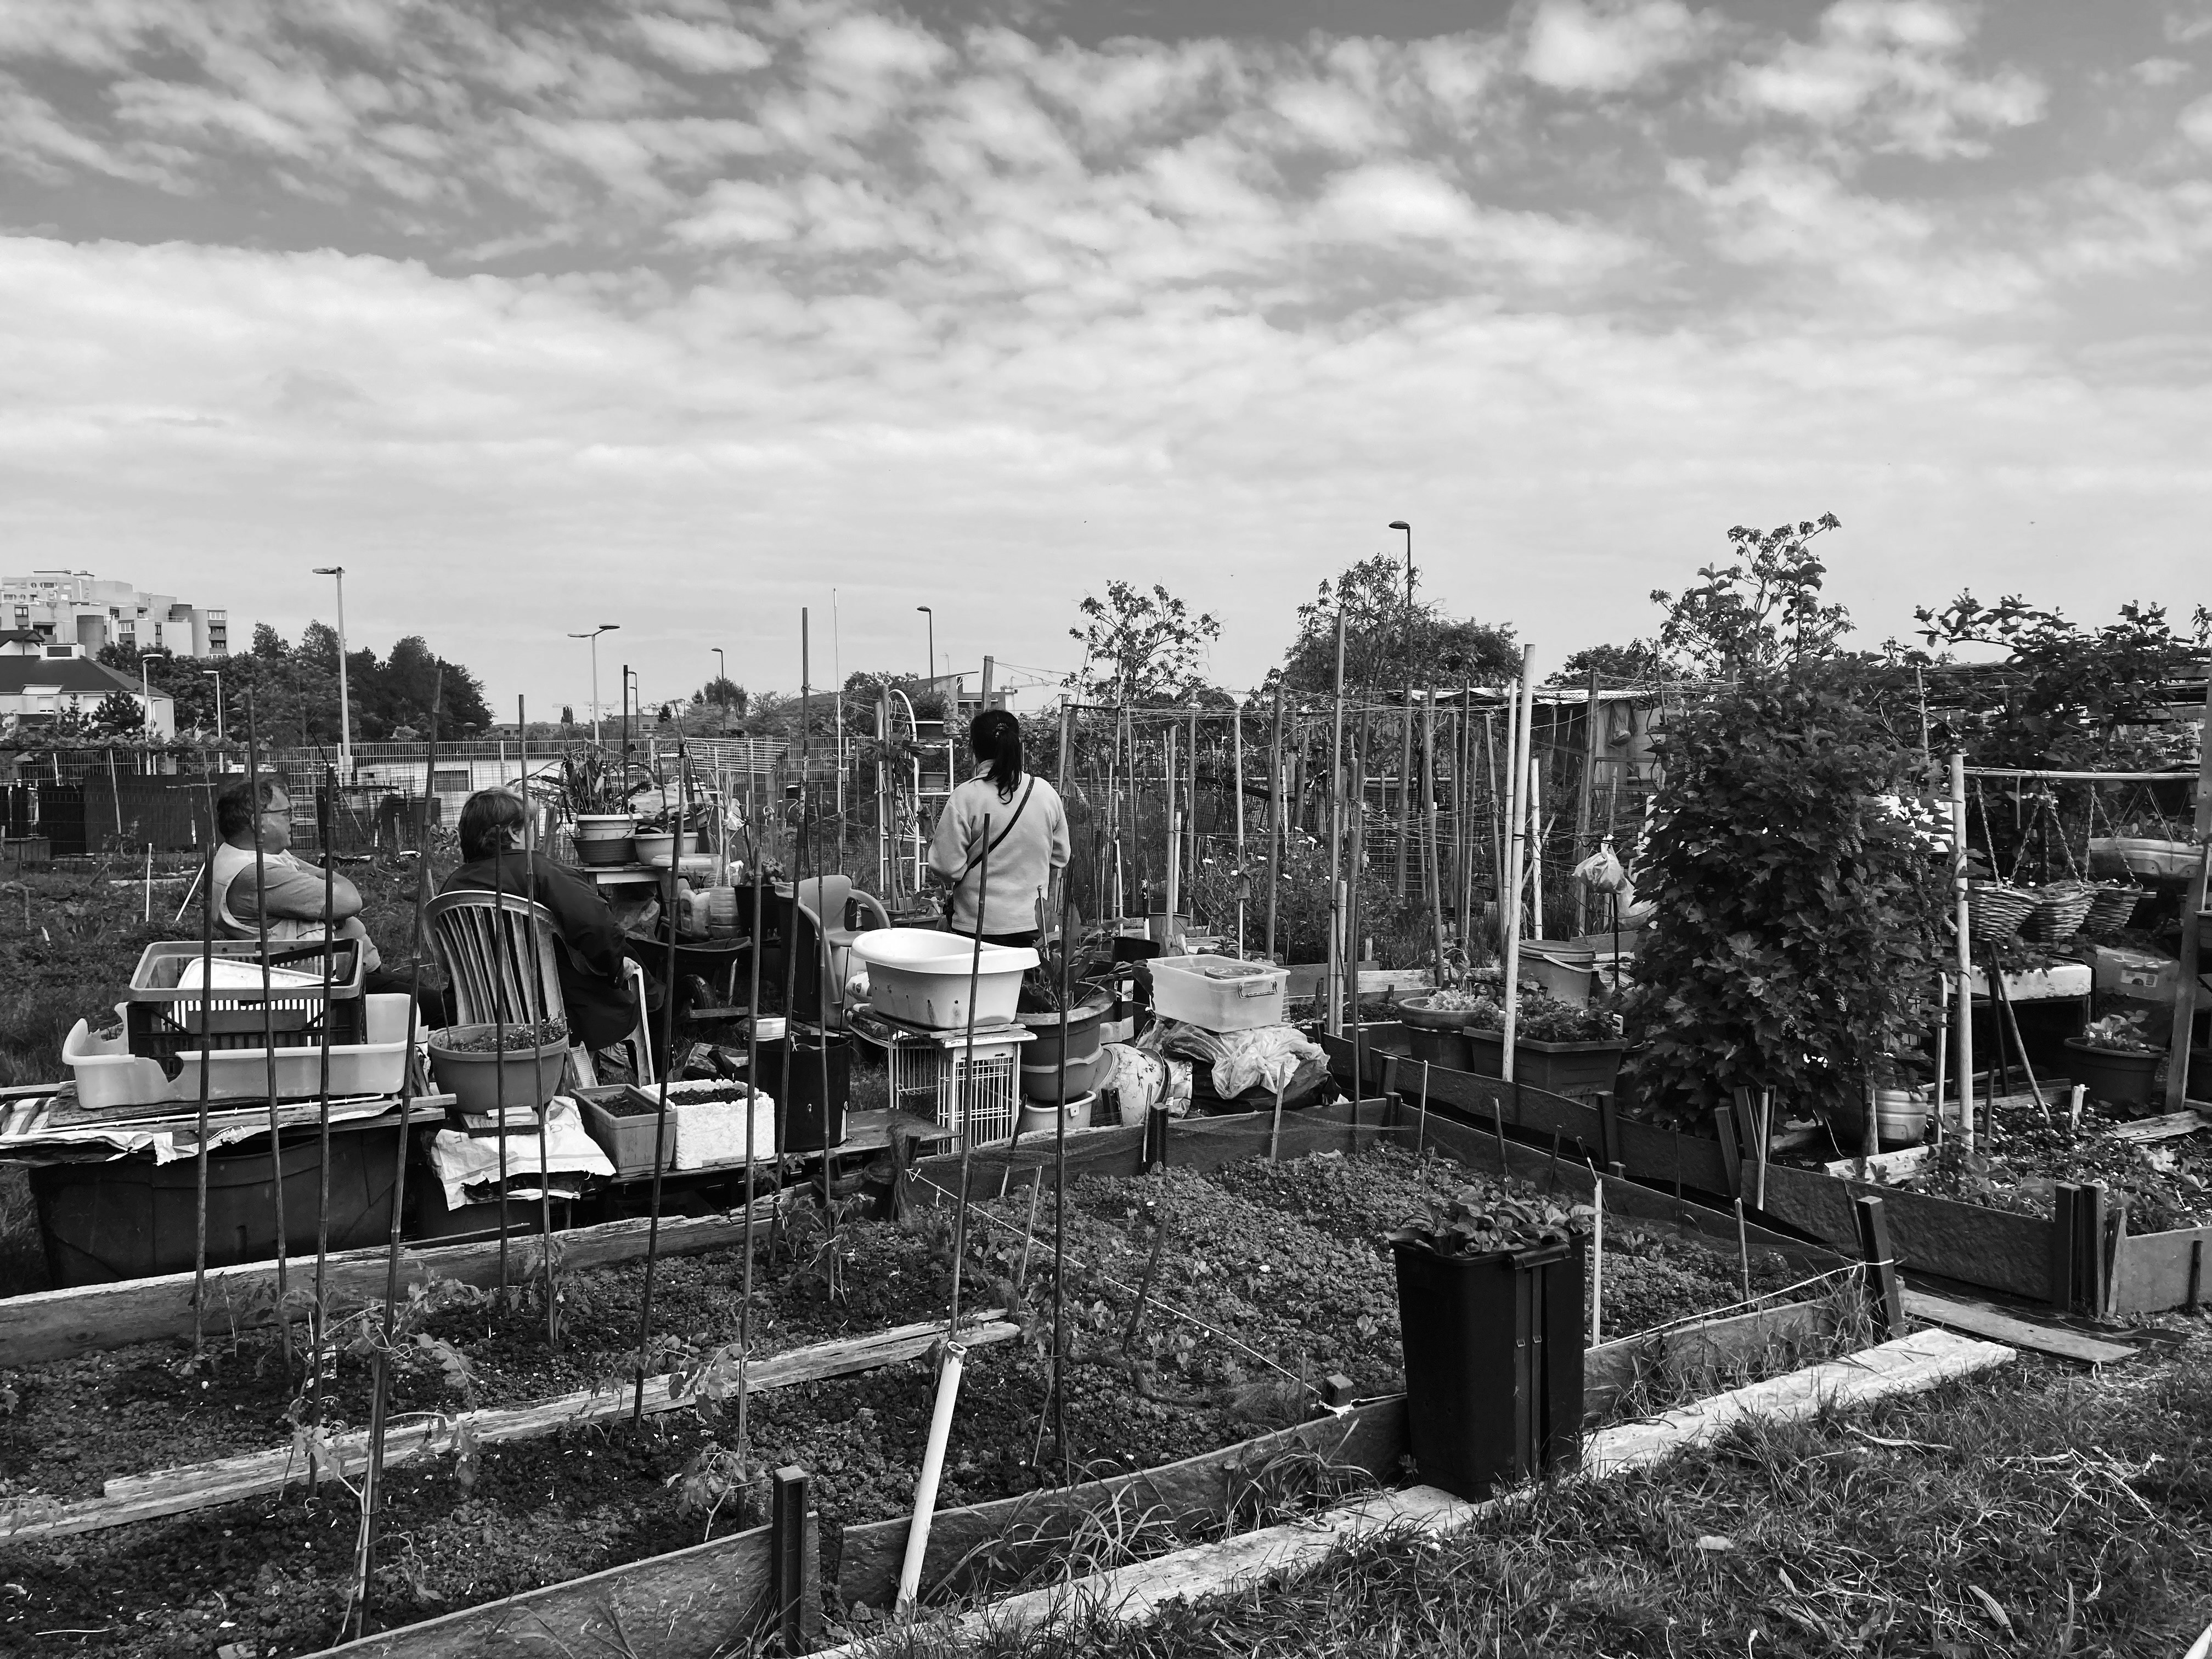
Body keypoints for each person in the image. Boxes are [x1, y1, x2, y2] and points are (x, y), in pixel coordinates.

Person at [439, 787, 647, 1061]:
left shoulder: (453, 887)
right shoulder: (539, 871)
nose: (534, 834)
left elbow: (445, 960)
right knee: (641, 972)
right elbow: (597, 926)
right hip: (557, 1014)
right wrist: (615, 965)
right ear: (514, 833)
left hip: (478, 1018)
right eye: (530, 826)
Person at [212, 776, 400, 990]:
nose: (292, 821)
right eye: (286, 814)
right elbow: (350, 901)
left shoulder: (242, 854)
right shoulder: (259, 872)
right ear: (259, 823)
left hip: (337, 973)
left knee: (419, 993)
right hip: (322, 985)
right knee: (428, 1006)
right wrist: (326, 875)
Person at [927, 708, 1069, 946]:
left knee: (980, 984)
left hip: (977, 929)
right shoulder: (1045, 793)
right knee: (1028, 983)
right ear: (1018, 744)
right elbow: (1060, 857)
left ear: (975, 749)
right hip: (1034, 926)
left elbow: (947, 867)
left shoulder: (966, 797)